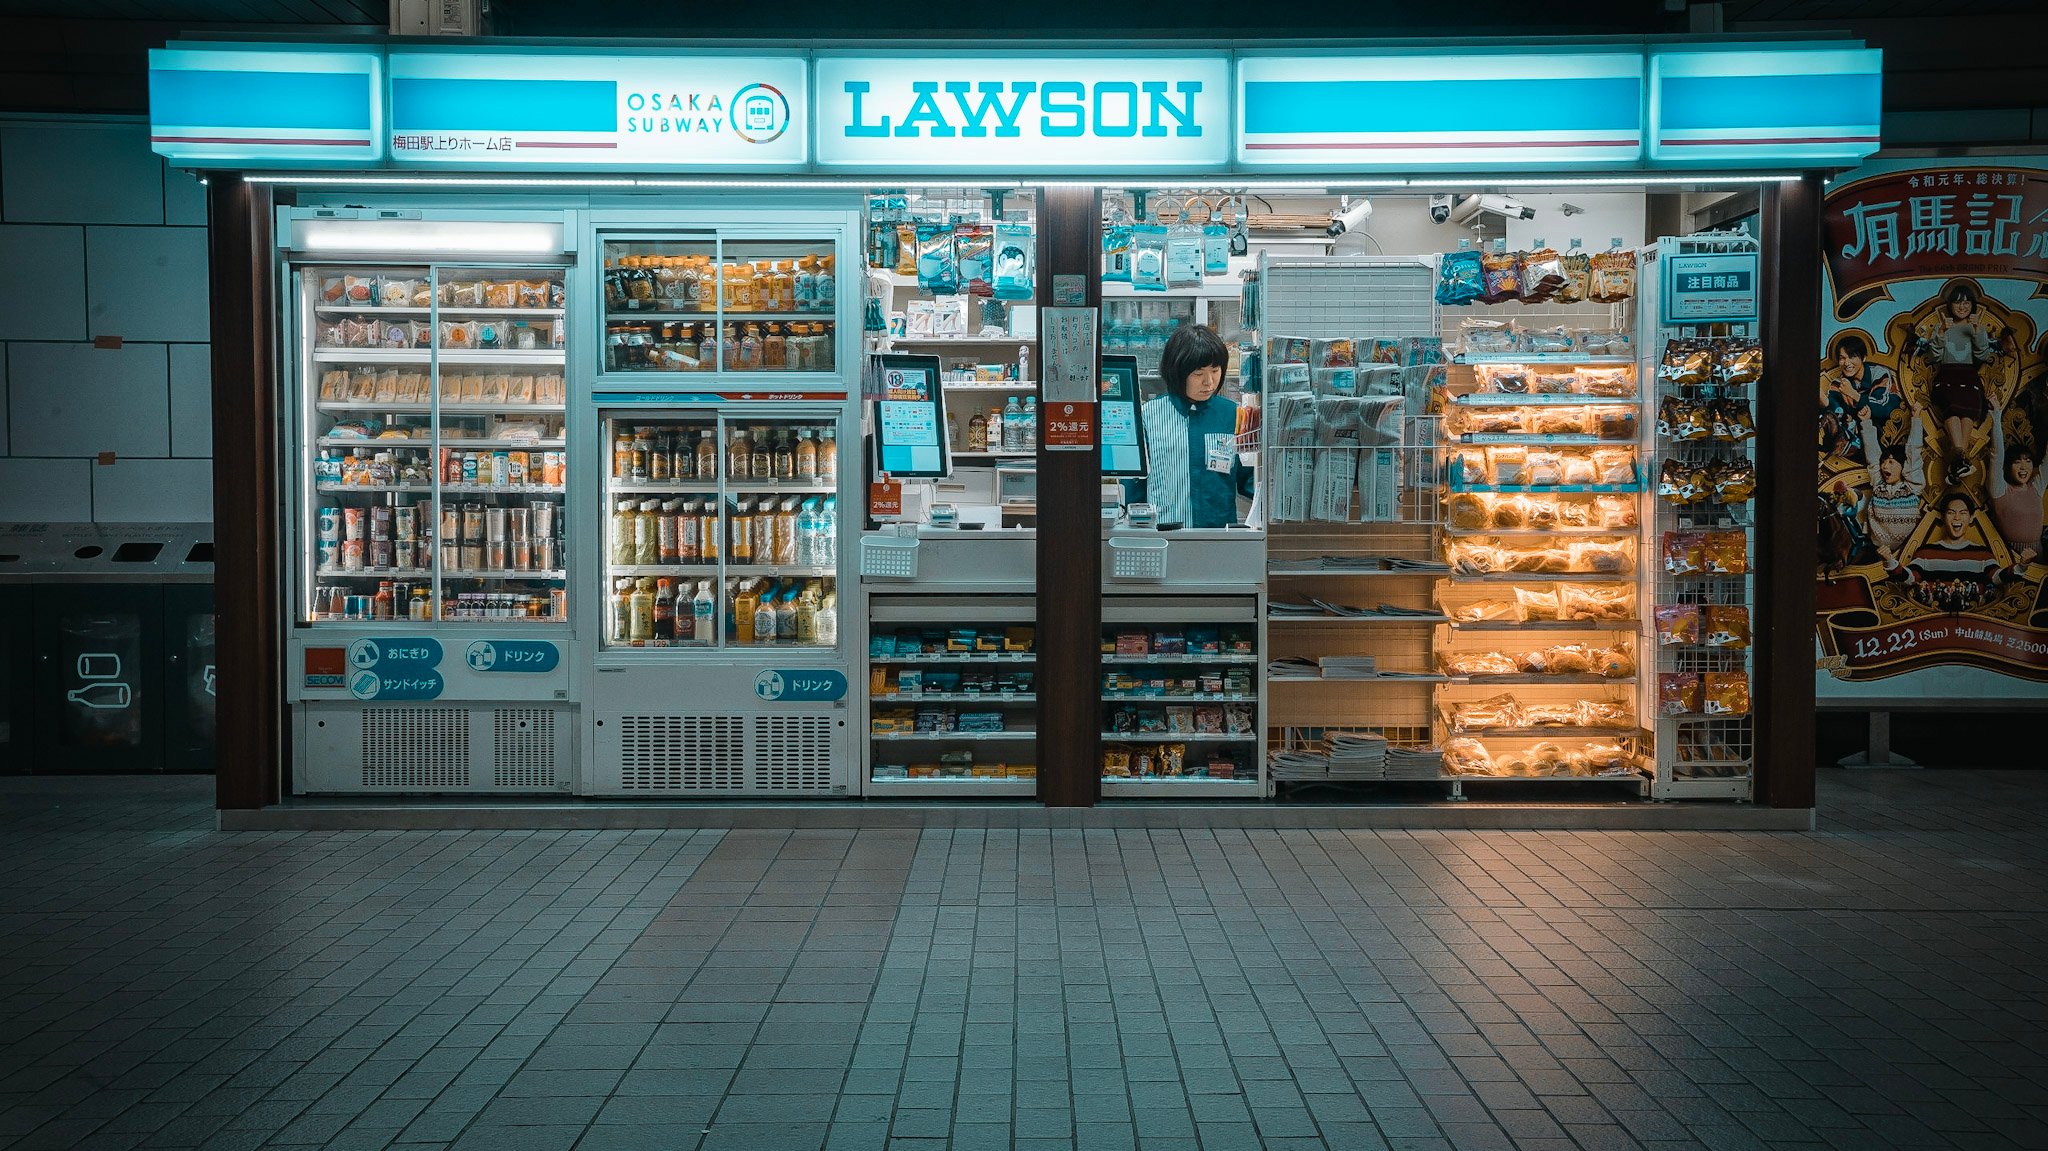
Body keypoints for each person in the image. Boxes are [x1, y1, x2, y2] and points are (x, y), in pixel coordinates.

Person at [1127, 324, 1253, 528]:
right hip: (1162, 537)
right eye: (1198, 373)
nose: (1209, 382)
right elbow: (1134, 487)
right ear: (1177, 371)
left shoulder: (1234, 415)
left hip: (1218, 537)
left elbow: (1250, 479)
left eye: (1215, 370)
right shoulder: (1148, 416)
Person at [1913, 283, 2001, 483]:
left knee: (1968, 409)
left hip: (1968, 374)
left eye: (1966, 302)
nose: (1962, 307)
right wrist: (1942, 332)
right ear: (1950, 305)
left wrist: (1979, 331)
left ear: (1972, 305)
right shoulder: (1942, 327)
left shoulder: (1976, 328)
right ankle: (1962, 460)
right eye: (1957, 302)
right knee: (1951, 408)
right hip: (1947, 373)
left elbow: (1984, 355)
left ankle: (1959, 462)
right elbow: (1934, 357)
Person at [1908, 493, 2004, 610]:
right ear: (1943, 517)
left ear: (1971, 517)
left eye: (1963, 513)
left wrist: (2021, 567)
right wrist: (1890, 563)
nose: (1957, 517)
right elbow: (1911, 579)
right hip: (1934, 622)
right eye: (1951, 512)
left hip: (1973, 623)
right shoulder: (1925, 552)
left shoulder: (1983, 554)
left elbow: (1997, 578)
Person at [1857, 408, 1925, 575]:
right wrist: (1866, 422)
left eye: (1892, 462)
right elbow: (1872, 455)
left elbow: (1913, 454)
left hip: (1907, 553)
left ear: (1904, 467)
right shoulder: (1879, 483)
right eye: (1884, 462)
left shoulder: (1912, 486)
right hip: (1875, 552)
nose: (1885, 466)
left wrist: (1916, 419)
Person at [1821, 335, 1903, 461]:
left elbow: (1884, 408)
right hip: (1857, 439)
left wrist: (1854, 395)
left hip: (1886, 436)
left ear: (1863, 357)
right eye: (1842, 358)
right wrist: (1825, 402)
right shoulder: (1838, 383)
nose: (1847, 363)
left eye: (1852, 356)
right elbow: (1837, 412)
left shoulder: (1879, 373)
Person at [1987, 393, 2046, 565]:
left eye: (2028, 461)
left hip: (2040, 556)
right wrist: (1996, 414)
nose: (2023, 466)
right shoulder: (2000, 489)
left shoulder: (2037, 487)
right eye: (2017, 462)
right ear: (2008, 467)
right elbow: (1996, 455)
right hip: (2008, 557)